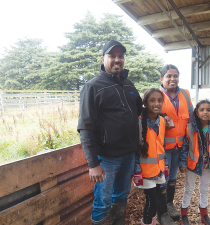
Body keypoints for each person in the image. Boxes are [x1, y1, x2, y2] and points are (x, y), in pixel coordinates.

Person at [77, 40, 142, 225]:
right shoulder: (93, 87)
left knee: (121, 197)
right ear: (103, 58)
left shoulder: (129, 85)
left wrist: (162, 118)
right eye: (112, 56)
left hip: (128, 155)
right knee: (102, 202)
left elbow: (139, 112)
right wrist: (93, 163)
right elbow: (85, 127)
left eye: (120, 56)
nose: (117, 60)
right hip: (107, 158)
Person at [133, 88, 175, 225]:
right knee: (151, 202)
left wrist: (166, 164)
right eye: (152, 100)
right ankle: (147, 222)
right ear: (145, 103)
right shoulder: (138, 122)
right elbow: (134, 150)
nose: (156, 104)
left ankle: (151, 221)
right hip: (145, 172)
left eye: (159, 101)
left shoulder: (162, 121)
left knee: (156, 200)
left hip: (159, 169)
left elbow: (161, 146)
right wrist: (136, 170)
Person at [159, 64, 194, 221]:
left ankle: (169, 204)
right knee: (162, 178)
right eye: (168, 76)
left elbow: (191, 120)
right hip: (162, 147)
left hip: (179, 146)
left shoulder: (185, 94)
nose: (172, 79)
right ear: (162, 79)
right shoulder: (157, 95)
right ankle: (161, 212)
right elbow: (148, 117)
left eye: (175, 75)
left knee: (172, 177)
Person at [179, 99, 210, 225]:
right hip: (192, 164)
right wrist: (182, 163)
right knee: (189, 188)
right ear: (196, 113)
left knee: (204, 188)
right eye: (201, 110)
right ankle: (184, 215)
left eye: (208, 110)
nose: (205, 112)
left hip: (208, 165)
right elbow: (185, 147)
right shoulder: (190, 127)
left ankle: (204, 214)